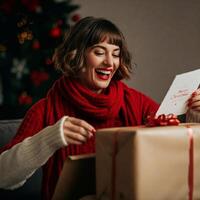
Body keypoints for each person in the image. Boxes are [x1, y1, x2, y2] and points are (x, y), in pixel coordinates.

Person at [0, 16, 200, 200]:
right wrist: (49, 138)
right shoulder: (44, 110)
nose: (109, 63)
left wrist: (194, 121)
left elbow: (173, 154)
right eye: (99, 52)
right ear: (75, 55)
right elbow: (4, 177)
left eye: (115, 54)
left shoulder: (135, 102)